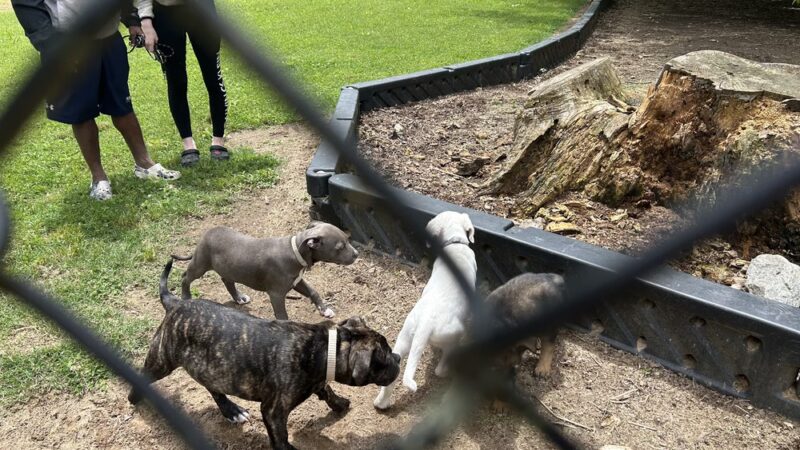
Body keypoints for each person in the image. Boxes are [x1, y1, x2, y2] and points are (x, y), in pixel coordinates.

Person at [11, 0, 180, 201]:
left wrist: (132, 19)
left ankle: (145, 164)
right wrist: (53, 46)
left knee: (122, 104)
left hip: (109, 39)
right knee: (81, 112)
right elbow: (26, 4)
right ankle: (99, 178)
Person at [141, 0, 229, 167]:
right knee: (176, 80)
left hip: (200, 11)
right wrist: (146, 20)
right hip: (165, 13)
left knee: (213, 77)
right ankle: (188, 144)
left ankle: (218, 139)